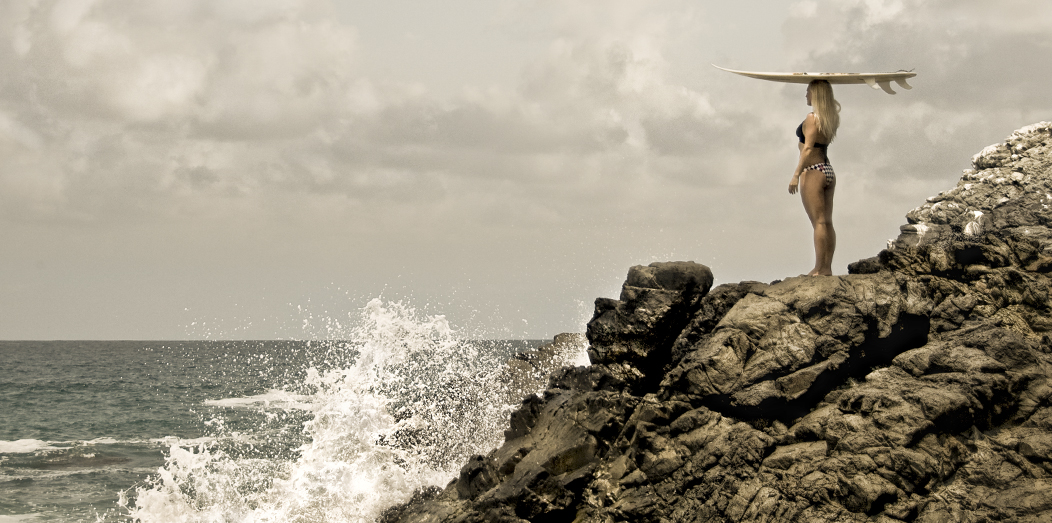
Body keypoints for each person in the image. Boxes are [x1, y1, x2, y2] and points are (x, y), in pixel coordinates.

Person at [788, 79, 840, 276]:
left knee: (818, 223)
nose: (806, 95)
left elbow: (808, 147)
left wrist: (795, 175)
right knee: (827, 221)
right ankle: (826, 268)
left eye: (808, 91)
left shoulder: (811, 118)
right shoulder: (830, 117)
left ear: (816, 94)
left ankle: (819, 268)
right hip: (827, 170)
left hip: (813, 171)